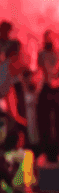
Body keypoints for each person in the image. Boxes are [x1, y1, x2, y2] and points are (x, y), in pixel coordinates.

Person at [36, 30, 59, 163]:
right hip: (47, 88)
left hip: (56, 89)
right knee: (44, 120)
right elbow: (43, 70)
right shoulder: (42, 54)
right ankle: (46, 150)